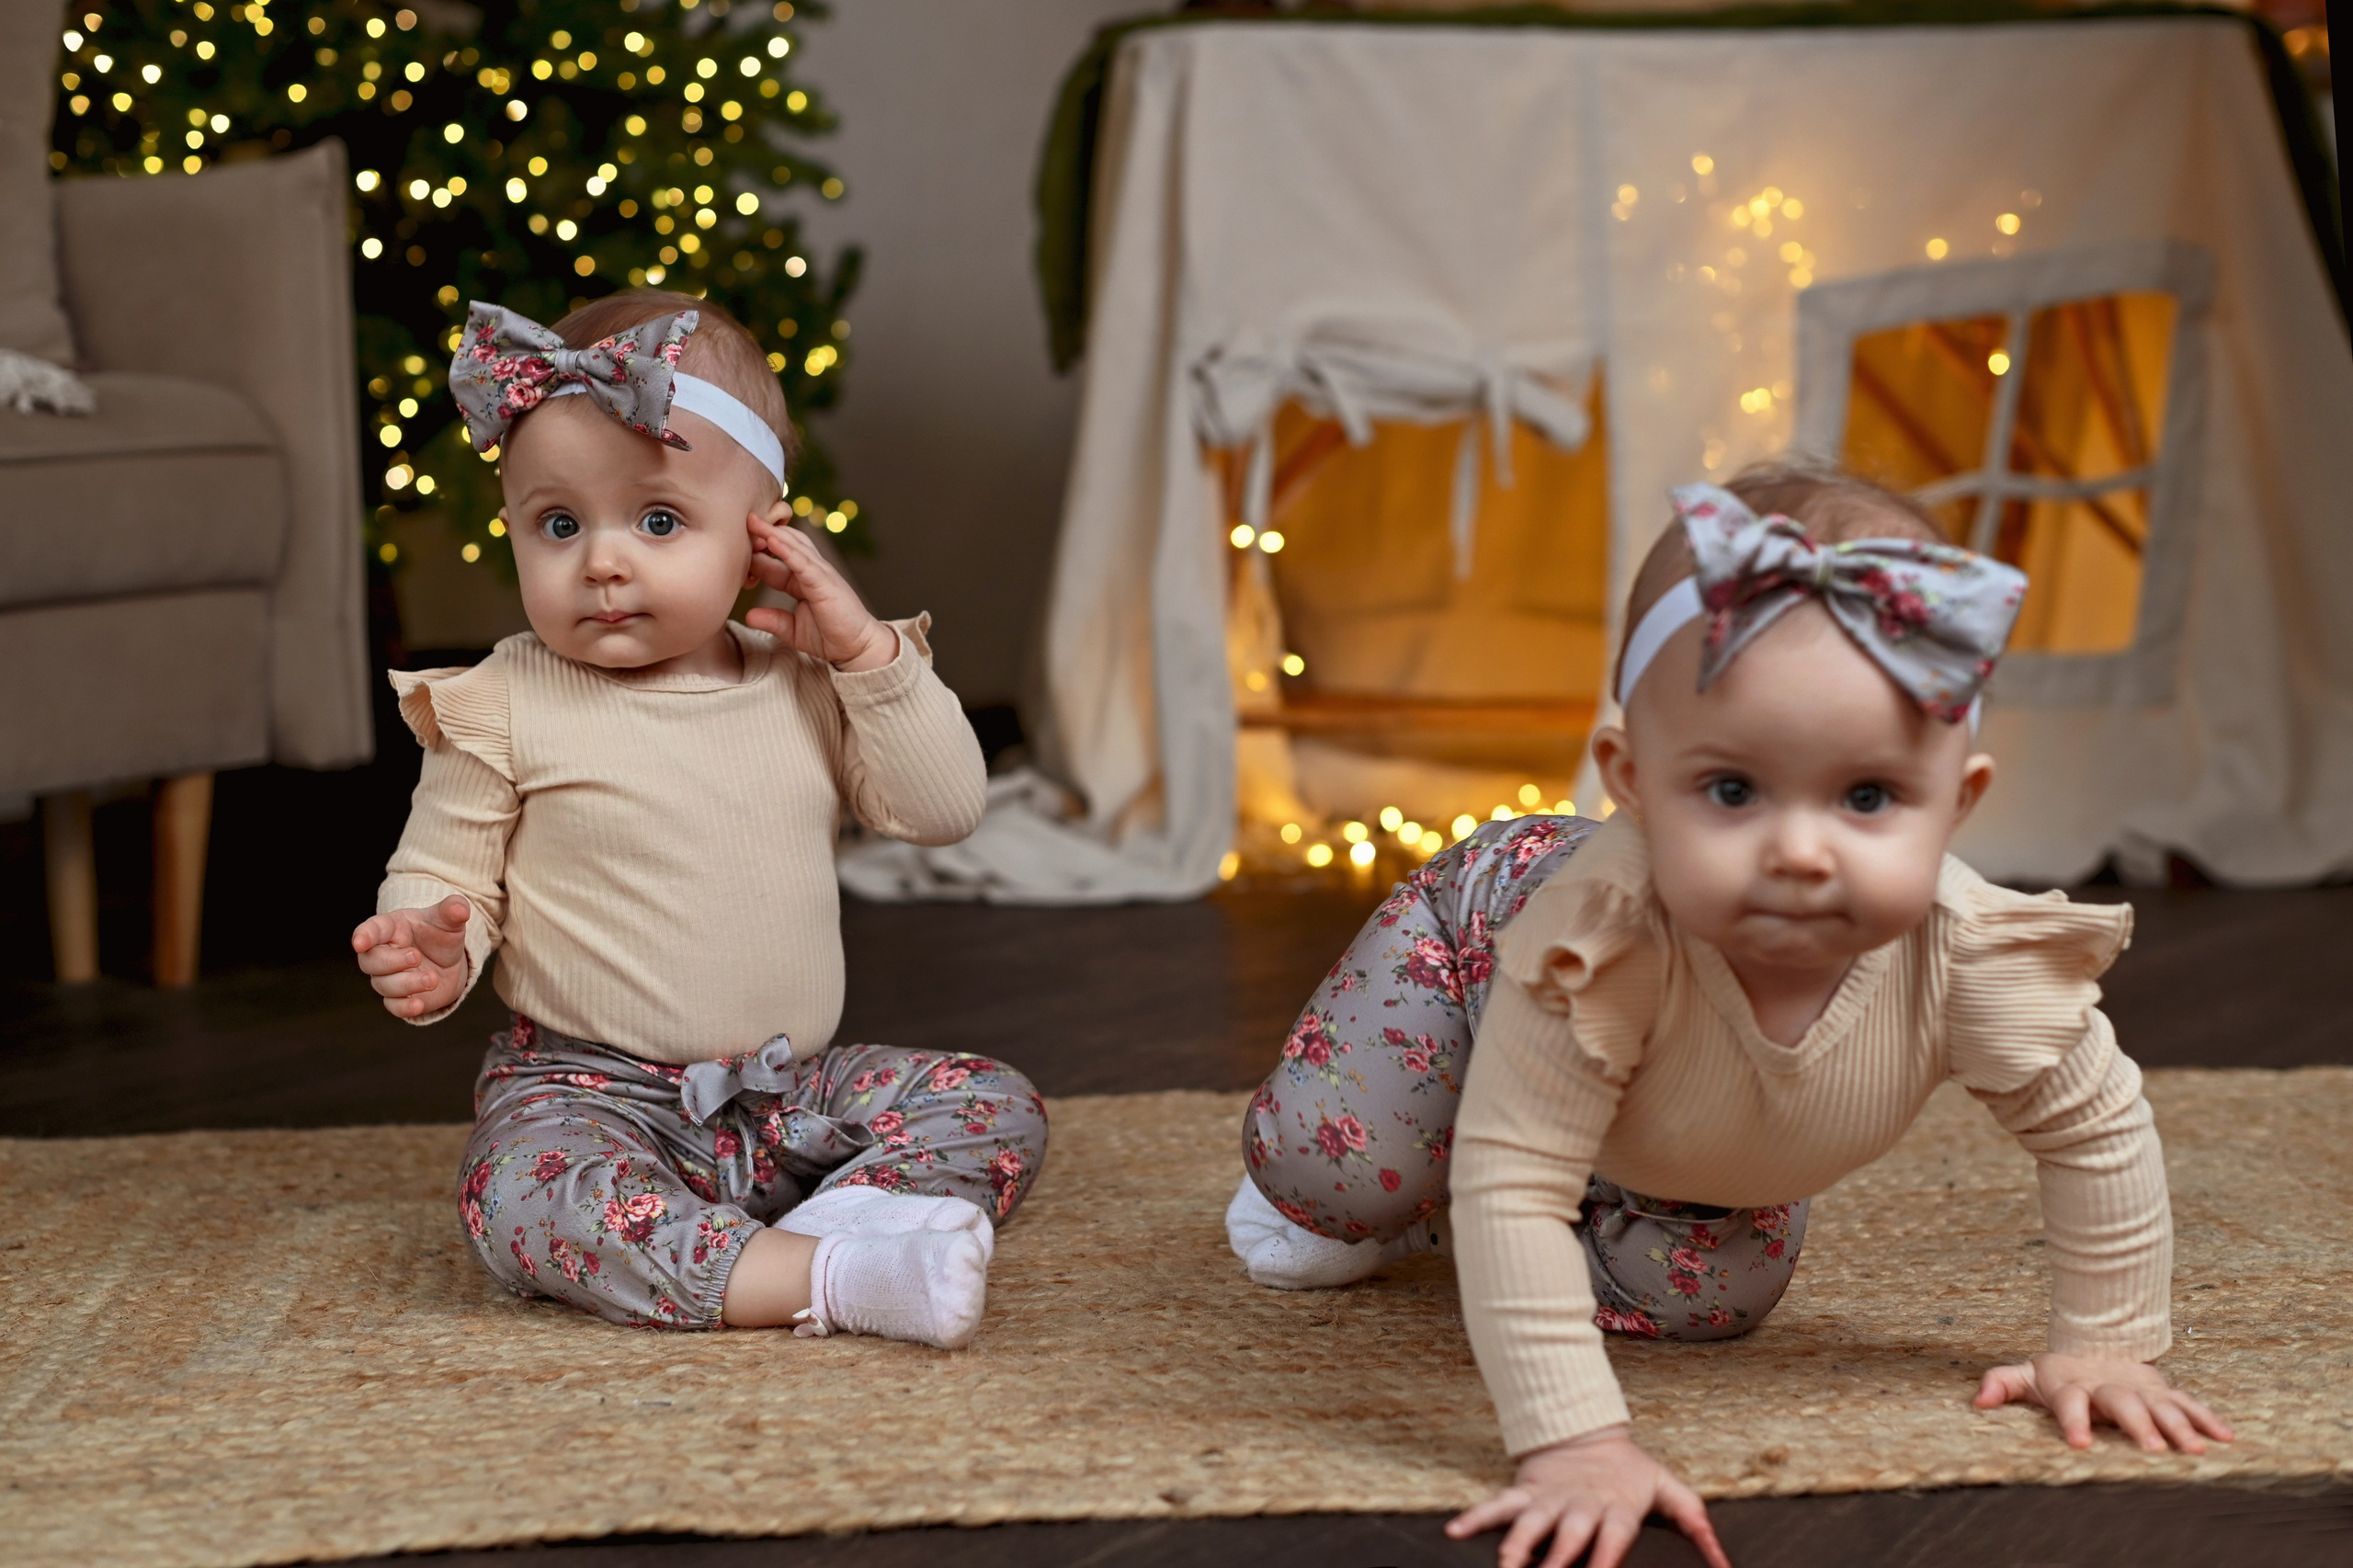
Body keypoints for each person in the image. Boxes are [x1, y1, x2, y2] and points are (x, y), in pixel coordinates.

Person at [1227, 463, 2230, 1568]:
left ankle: (1554, 1162)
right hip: (1471, 958)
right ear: (1632, 780)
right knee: (1343, 1170)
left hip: (1681, 1114)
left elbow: (2097, 1131)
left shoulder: (1969, 954)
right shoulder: (1599, 943)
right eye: (1733, 790)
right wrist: (1576, 1442)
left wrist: (2104, 1344)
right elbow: (1515, 1185)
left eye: (1866, 796)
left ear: (1958, 800)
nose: (1799, 851)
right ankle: (1413, 1157)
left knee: (1708, 1299)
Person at [351, 292, 1044, 1347]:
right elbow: (443, 869)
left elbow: (944, 808)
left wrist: (869, 656)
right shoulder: (504, 699)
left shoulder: (808, 680)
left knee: (990, 1100)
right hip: (593, 1093)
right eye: (558, 524)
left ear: (765, 536)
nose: (602, 562)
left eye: (659, 520)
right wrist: (432, 939)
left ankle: (834, 1226)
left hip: (788, 1089)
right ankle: (825, 1274)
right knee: (523, 1194)